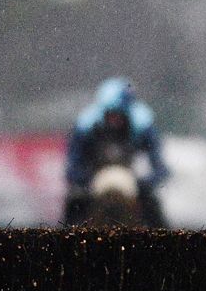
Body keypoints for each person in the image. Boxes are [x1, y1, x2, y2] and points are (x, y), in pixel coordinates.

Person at [62, 77, 170, 227]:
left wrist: (144, 184)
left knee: (152, 207)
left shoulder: (142, 125)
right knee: (74, 203)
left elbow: (160, 167)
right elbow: (72, 166)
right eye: (111, 115)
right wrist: (86, 181)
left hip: (130, 181)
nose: (115, 121)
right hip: (94, 179)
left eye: (119, 115)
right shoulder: (86, 126)